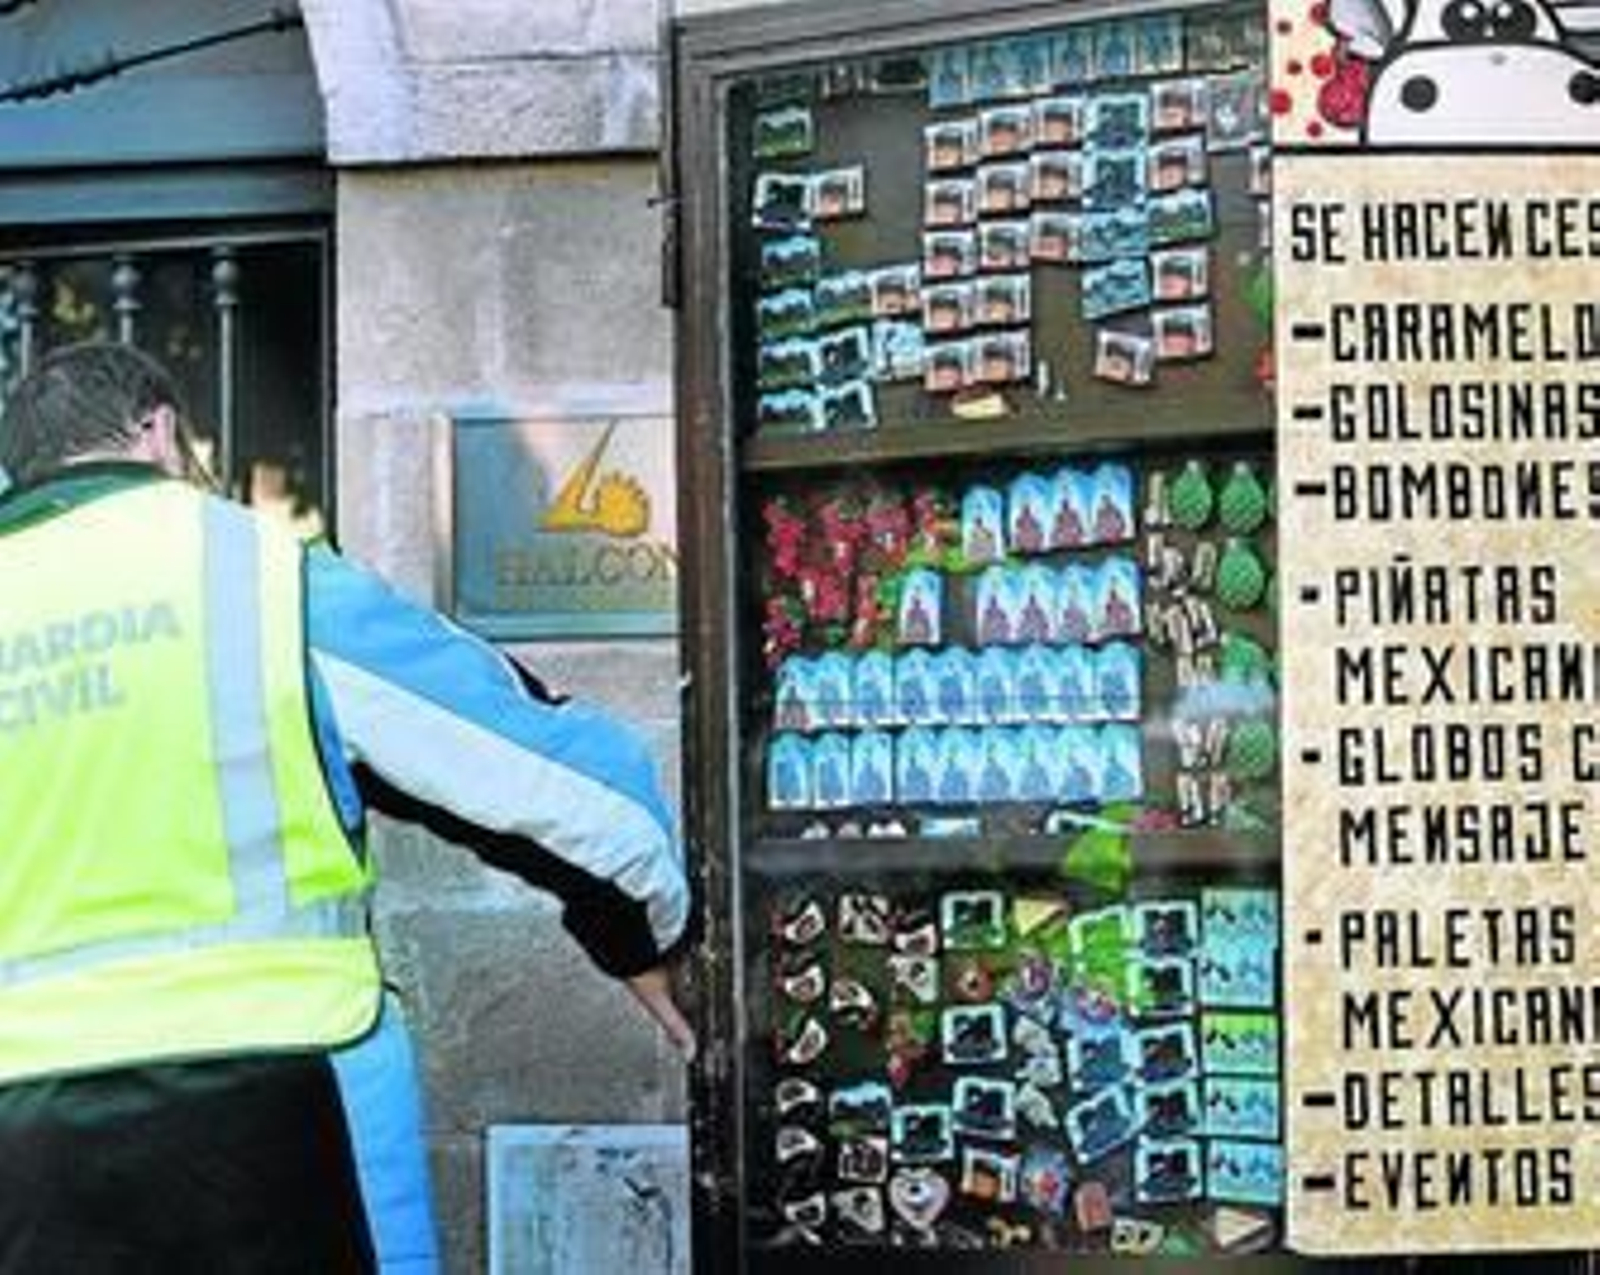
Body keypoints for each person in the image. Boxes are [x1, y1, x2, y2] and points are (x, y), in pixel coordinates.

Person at [0, 341, 696, 1273]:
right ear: (158, 431)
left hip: (23, 1134)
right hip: (284, 1096)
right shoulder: (255, 571)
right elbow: (545, 775)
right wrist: (645, 937)